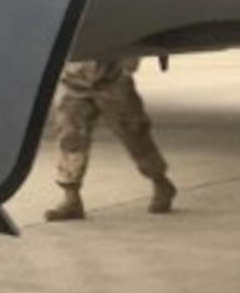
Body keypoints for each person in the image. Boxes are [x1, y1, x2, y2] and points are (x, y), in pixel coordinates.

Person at [45, 56, 176, 222]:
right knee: (70, 139)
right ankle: (71, 198)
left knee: (134, 134)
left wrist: (128, 64)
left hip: (112, 80)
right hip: (73, 82)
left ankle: (161, 182)